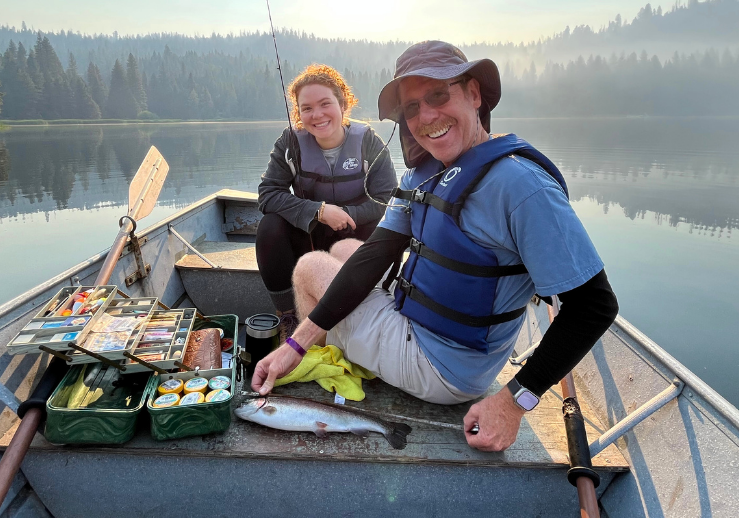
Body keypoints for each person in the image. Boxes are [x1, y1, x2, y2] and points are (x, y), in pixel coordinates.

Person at [252, 41, 620, 453]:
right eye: (412, 108)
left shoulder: (522, 186)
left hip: (443, 366)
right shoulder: (425, 175)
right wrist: (295, 344)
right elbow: (374, 255)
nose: (426, 116)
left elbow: (594, 307)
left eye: (439, 95)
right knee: (345, 253)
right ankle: (321, 347)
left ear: (475, 94)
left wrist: (515, 400)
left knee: (309, 268)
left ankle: (328, 358)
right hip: (420, 325)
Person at [256, 63, 398, 341]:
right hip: (308, 236)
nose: (316, 115)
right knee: (269, 227)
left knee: (384, 231)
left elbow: (388, 200)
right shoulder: (290, 143)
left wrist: (347, 213)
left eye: (325, 104)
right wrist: (319, 211)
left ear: (343, 103)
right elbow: (268, 193)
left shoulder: (369, 142)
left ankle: (371, 310)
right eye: (306, 108)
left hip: (357, 236)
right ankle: (288, 316)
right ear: (299, 113)